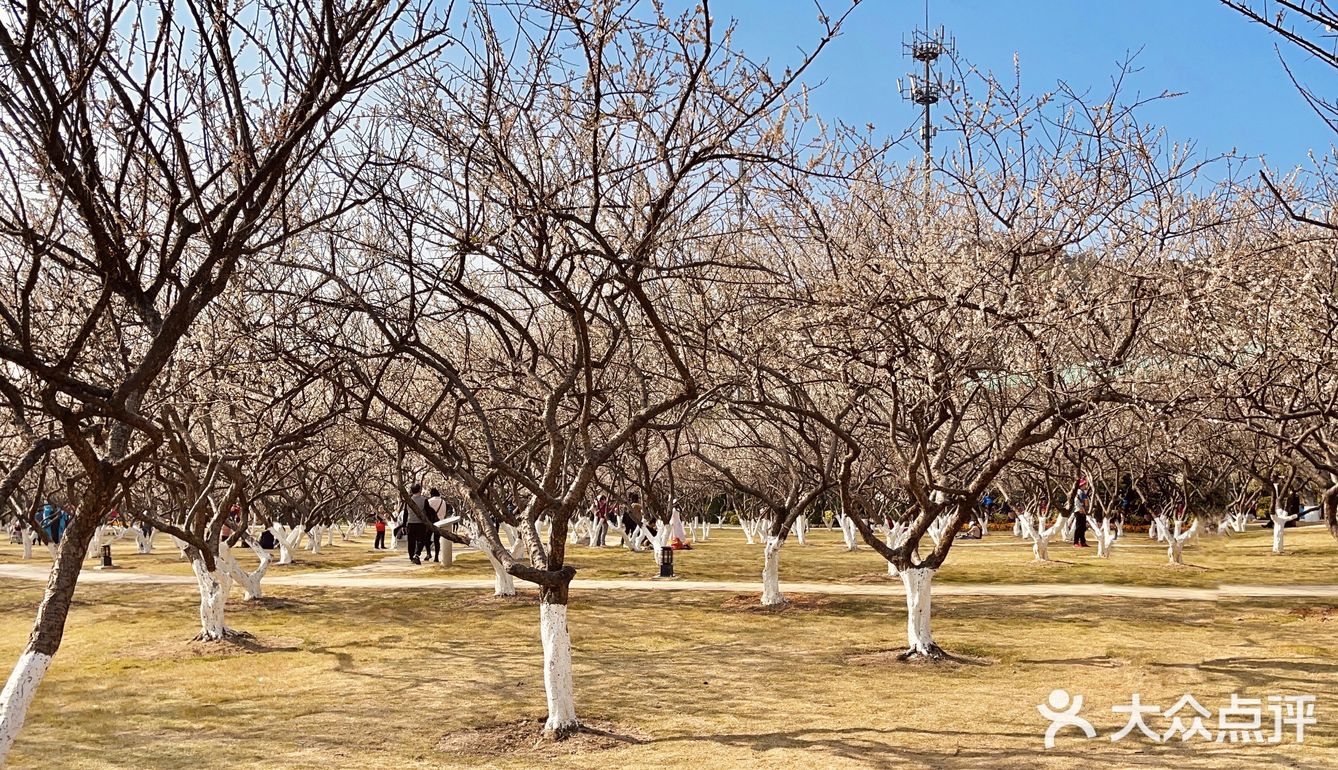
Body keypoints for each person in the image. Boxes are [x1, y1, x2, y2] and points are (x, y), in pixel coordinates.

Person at [403, 483, 432, 565]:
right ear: (420, 490)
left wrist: (404, 525)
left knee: (411, 541)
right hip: (420, 524)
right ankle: (416, 554)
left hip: (410, 523)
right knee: (421, 540)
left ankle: (412, 556)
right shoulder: (424, 500)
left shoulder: (408, 501)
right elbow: (428, 512)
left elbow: (405, 513)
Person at [425, 488, 449, 562]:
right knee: (436, 540)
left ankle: (428, 553)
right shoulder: (443, 502)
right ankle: (436, 557)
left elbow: (426, 512)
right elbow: (444, 513)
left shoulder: (429, 501)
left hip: (430, 523)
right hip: (440, 522)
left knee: (427, 539)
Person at [1072, 479, 1090, 547]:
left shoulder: (1083, 492)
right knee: (1078, 527)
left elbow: (1086, 502)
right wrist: (1083, 509)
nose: (1085, 486)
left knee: (1083, 528)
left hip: (1083, 511)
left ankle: (1083, 542)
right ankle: (1076, 542)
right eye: (1084, 484)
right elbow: (1078, 503)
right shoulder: (1079, 493)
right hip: (1079, 511)